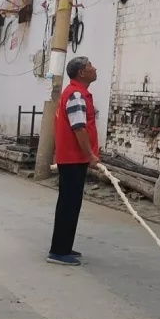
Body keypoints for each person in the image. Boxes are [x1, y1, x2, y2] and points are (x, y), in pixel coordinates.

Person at [47, 56, 99, 267]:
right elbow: (79, 128)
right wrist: (90, 155)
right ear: (81, 73)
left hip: (71, 158)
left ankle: (64, 246)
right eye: (90, 66)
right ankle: (58, 251)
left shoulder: (75, 93)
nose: (94, 69)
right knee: (69, 204)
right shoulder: (76, 95)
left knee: (71, 203)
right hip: (73, 158)